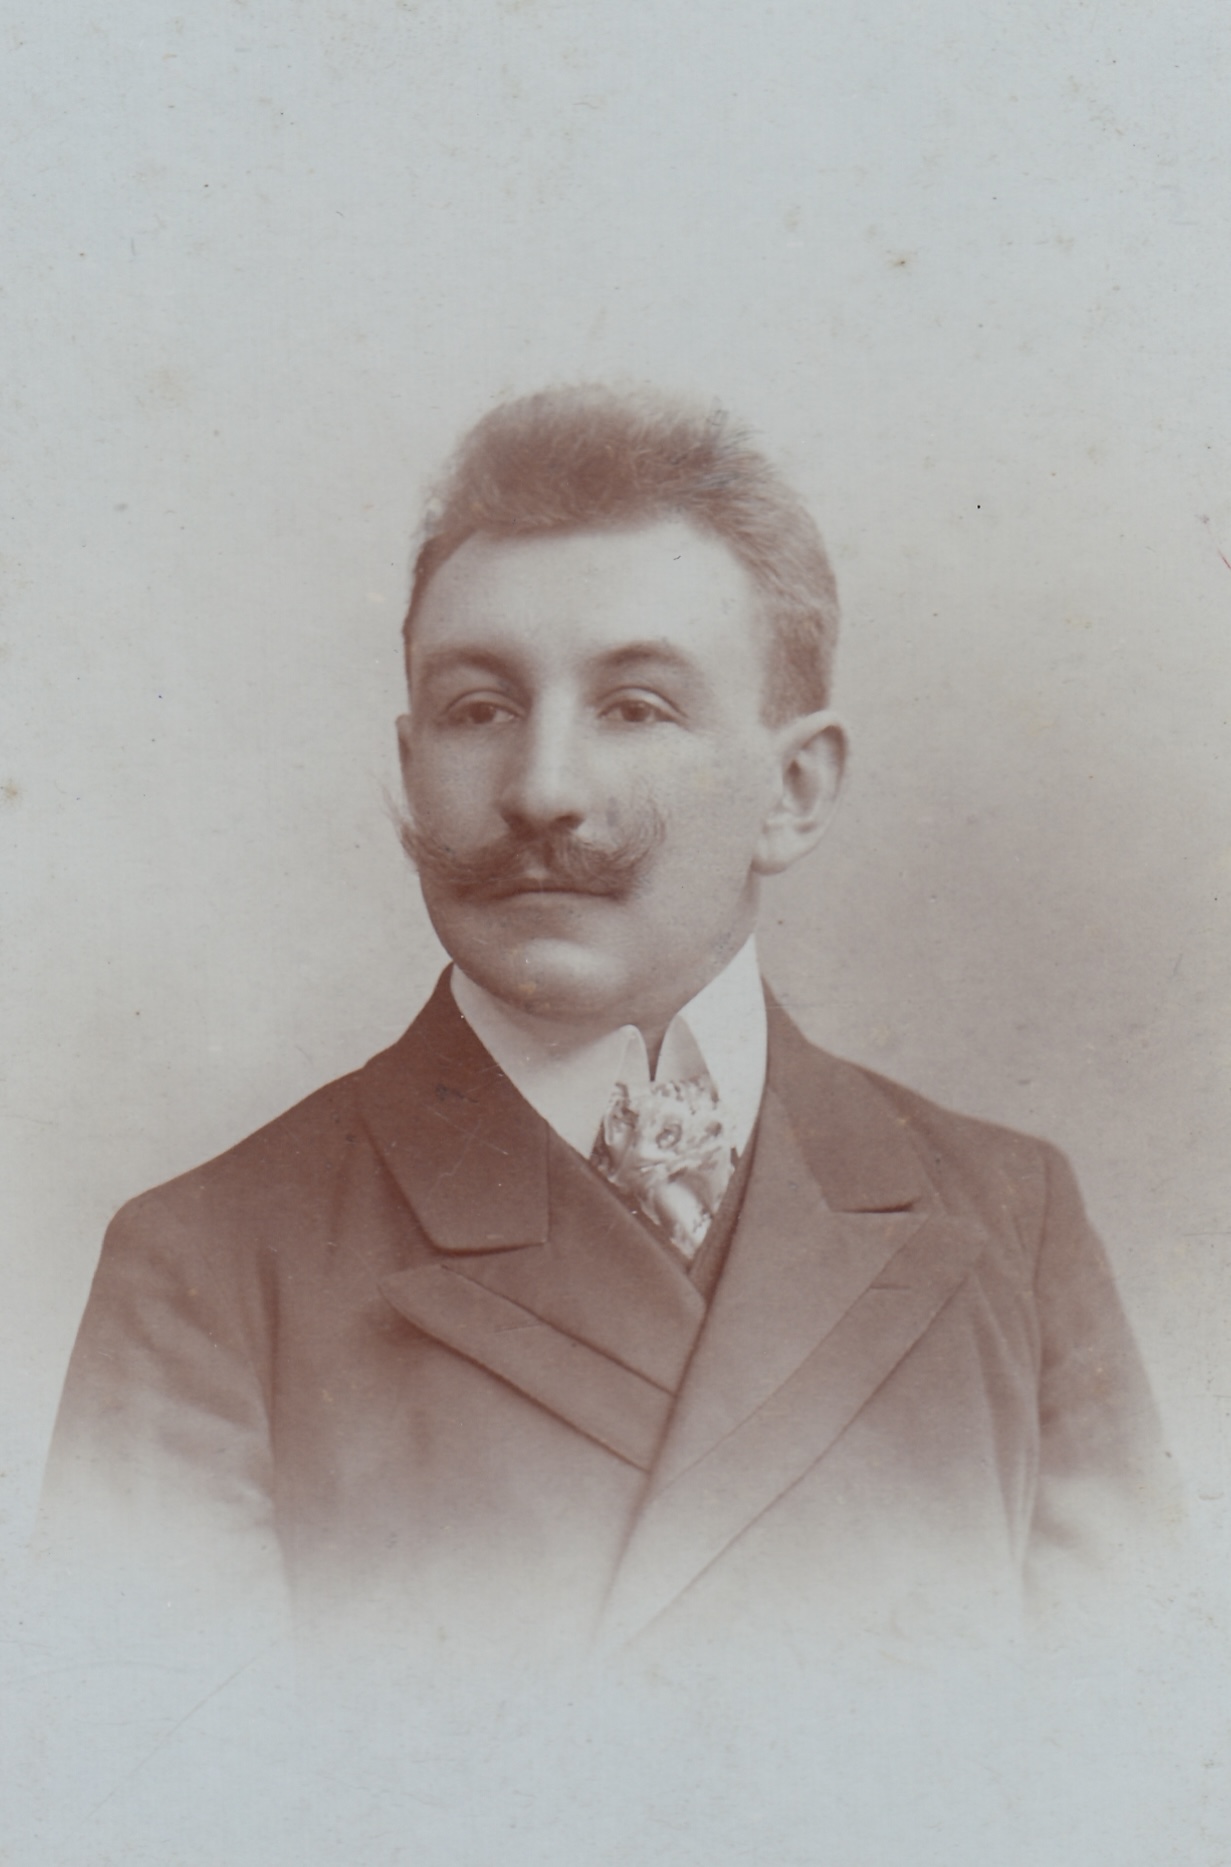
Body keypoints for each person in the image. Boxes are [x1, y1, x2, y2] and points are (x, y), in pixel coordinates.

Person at [41, 385, 1169, 1669]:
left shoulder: (1010, 1222)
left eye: (635, 707)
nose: (542, 790)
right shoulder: (209, 1267)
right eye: (479, 710)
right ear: (410, 769)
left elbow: (1132, 1749)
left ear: (793, 792)